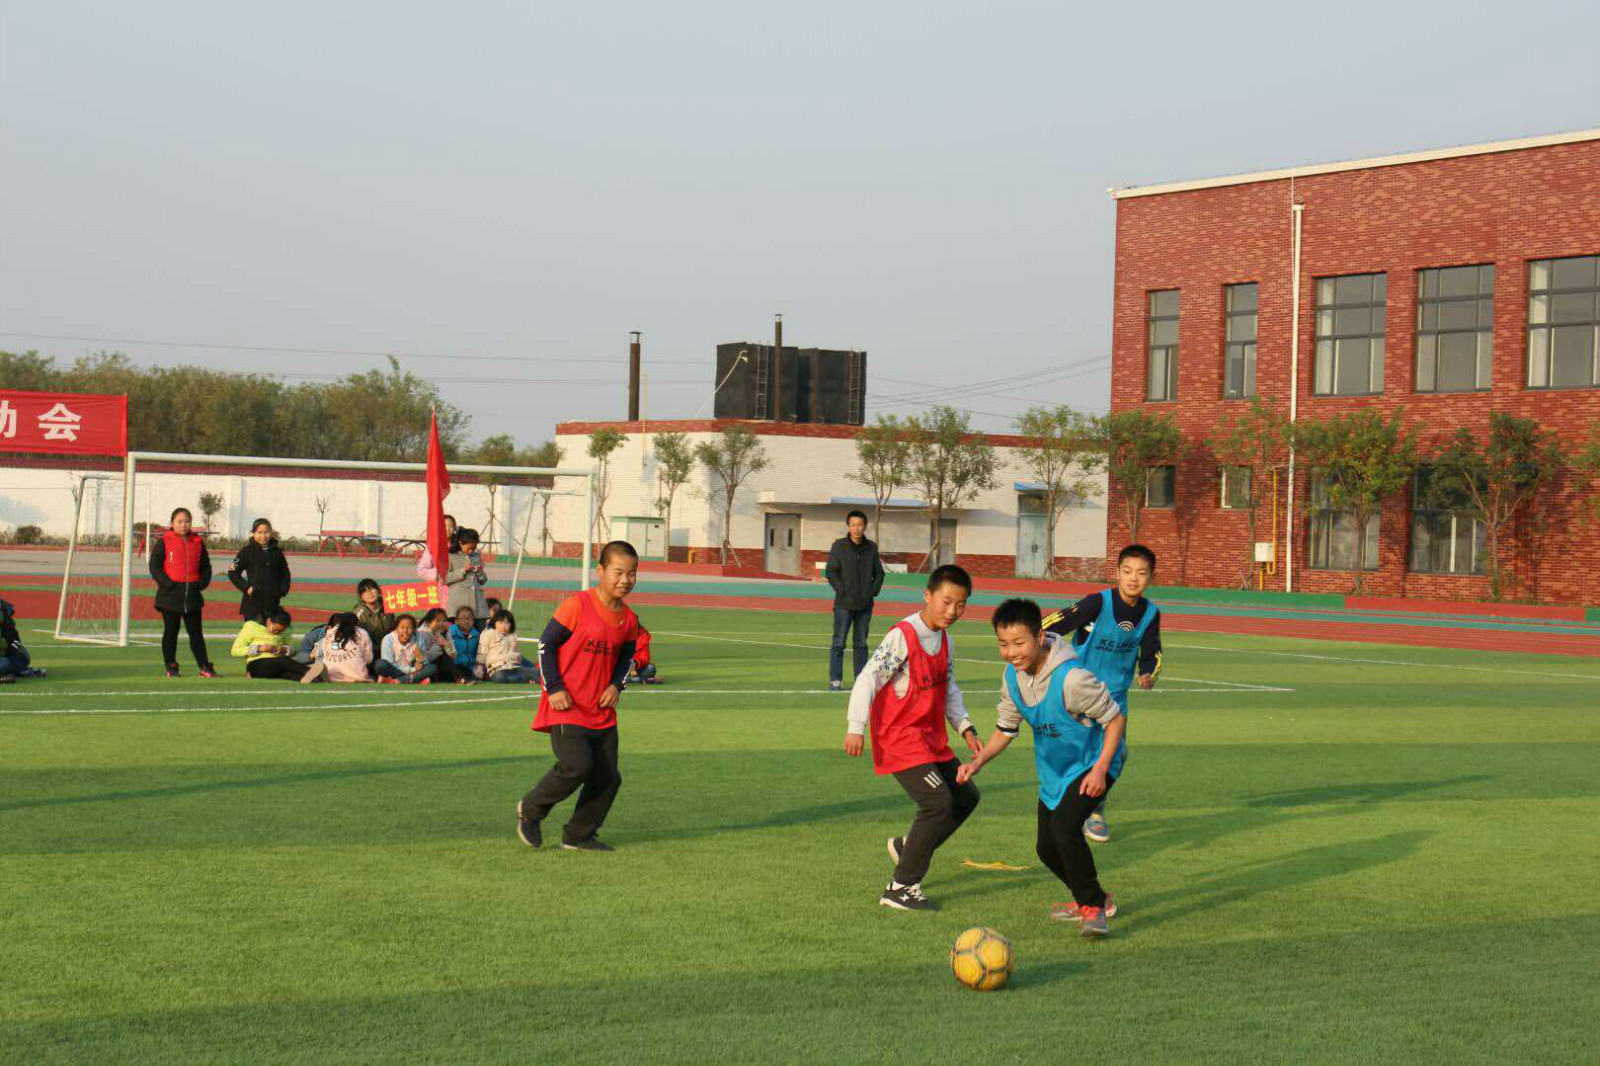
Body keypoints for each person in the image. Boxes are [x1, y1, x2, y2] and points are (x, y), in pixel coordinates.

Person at [958, 598, 1127, 937]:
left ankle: (1093, 909)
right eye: (1003, 644)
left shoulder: (1072, 678)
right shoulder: (1012, 676)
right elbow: (1006, 727)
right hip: (1055, 771)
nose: (1011, 652)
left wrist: (1100, 770)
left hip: (1095, 762)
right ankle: (1091, 898)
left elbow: (1115, 720)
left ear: (1039, 636)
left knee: (1065, 829)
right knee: (1046, 848)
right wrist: (978, 761)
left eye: (1019, 643)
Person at [843, 564, 984, 912]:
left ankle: (909, 849)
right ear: (927, 595)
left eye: (961, 604)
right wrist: (855, 725)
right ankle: (901, 886)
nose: (953, 611)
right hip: (900, 738)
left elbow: (948, 687)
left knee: (965, 796)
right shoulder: (903, 635)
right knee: (937, 803)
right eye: (946, 602)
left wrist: (965, 727)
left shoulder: (945, 639)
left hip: (930, 738)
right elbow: (868, 678)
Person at [517, 541, 641, 851]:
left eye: (632, 573)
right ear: (600, 571)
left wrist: (616, 686)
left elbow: (629, 658)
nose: (625, 580)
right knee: (577, 766)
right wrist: (554, 688)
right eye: (618, 572)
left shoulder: (629, 619)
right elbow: (546, 646)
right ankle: (530, 809)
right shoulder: (576, 605)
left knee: (608, 778)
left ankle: (578, 835)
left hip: (602, 713)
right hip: (567, 705)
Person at [1041, 544, 1162, 843]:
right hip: (1082, 691)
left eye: (1141, 573)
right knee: (1081, 753)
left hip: (1116, 696)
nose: (1133, 578)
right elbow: (1059, 622)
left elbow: (1152, 650)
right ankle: (1071, 808)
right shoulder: (1097, 603)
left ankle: (1095, 809)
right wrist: (1034, 639)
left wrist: (1148, 673)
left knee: (1116, 754)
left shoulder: (1150, 614)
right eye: (1127, 571)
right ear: (1118, 572)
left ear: (1150, 577)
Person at [147, 506, 218, 678]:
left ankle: (204, 666)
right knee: (171, 632)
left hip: (192, 595)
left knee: (196, 634)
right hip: (170, 595)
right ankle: (171, 665)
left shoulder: (198, 543)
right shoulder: (165, 542)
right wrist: (167, 583)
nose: (184, 525)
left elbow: (206, 566)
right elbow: (155, 566)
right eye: (180, 521)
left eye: (187, 521)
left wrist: (202, 583)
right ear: (172, 523)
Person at [825, 510, 886, 691]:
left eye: (859, 525)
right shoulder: (839, 546)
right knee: (839, 642)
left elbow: (879, 573)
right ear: (848, 526)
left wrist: (872, 591)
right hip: (843, 604)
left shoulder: (871, 547)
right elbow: (831, 571)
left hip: (865, 605)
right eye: (853, 525)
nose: (856, 528)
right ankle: (835, 679)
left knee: (861, 644)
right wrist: (841, 590)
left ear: (864, 526)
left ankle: (860, 681)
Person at [228, 518, 292, 623]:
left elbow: (285, 573)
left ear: (271, 532)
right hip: (252, 604)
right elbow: (232, 571)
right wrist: (246, 588)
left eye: (266, 532)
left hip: (272, 604)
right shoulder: (245, 551)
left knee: (270, 637)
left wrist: (282, 590)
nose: (263, 536)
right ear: (253, 533)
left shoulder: (277, 552)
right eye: (259, 532)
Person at [230, 608, 308, 680]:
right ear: (269, 621)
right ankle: (309, 671)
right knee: (283, 660)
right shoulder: (251, 627)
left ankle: (315, 679)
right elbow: (235, 650)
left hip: (276, 665)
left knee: (290, 675)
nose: (276, 633)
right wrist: (260, 648)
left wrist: (284, 650)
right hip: (257, 664)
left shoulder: (285, 631)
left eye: (280, 631)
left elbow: (294, 648)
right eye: (275, 630)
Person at [301, 613, 375, 684]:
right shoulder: (362, 633)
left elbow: (317, 656)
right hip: (357, 677)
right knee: (372, 675)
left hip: (329, 675)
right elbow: (368, 659)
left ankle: (310, 672)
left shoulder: (327, 634)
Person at [443, 527, 489, 627]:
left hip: (478, 608)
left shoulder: (476, 556)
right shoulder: (450, 556)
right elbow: (444, 578)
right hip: (458, 607)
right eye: (469, 548)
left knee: (478, 637)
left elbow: (483, 580)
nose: (471, 551)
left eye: (474, 547)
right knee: (458, 637)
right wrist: (463, 570)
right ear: (460, 543)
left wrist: (479, 572)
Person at [477, 610, 536, 683]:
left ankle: (526, 678)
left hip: (514, 667)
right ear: (494, 623)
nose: (503, 626)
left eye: (507, 623)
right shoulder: (489, 634)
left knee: (534, 672)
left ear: (511, 624)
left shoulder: (512, 636)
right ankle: (525, 679)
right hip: (498, 668)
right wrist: (480, 667)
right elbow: (482, 652)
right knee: (500, 677)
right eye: (500, 623)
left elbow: (517, 654)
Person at [377, 615, 436, 684]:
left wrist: (420, 658)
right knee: (380, 664)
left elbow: (425, 663)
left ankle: (397, 681)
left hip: (413, 670)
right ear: (396, 629)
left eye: (409, 628)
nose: (405, 631)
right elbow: (388, 662)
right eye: (402, 628)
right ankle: (415, 678)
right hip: (395, 670)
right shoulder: (388, 639)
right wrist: (412, 670)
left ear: (414, 629)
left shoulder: (418, 638)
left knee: (432, 667)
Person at [0, 597, 44, 683]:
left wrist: (7, 648)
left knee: (8, 662)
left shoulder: (5, 618)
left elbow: (13, 639)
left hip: (9, 656)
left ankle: (15, 670)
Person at [353, 579, 395, 669]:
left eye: (372, 589)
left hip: (390, 650)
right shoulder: (358, 614)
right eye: (364, 591)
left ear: (378, 590)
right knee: (380, 666)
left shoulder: (388, 607)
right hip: (371, 653)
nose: (369, 593)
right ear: (361, 597)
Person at [415, 513, 459, 600]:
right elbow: (421, 570)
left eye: (451, 526)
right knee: (438, 613)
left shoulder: (460, 545)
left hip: (456, 589)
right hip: (438, 590)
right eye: (444, 526)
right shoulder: (433, 546)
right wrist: (439, 574)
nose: (447, 529)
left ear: (455, 528)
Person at [420, 607, 470, 683]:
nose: (441, 624)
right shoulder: (422, 633)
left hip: (444, 668)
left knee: (466, 670)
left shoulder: (446, 631)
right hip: (427, 668)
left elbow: (454, 656)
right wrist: (438, 648)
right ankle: (460, 678)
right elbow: (423, 659)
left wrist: (446, 645)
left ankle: (460, 677)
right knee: (442, 654)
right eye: (437, 620)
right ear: (428, 622)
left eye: (444, 621)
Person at [447, 606, 482, 679]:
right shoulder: (450, 633)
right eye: (462, 618)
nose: (466, 621)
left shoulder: (476, 635)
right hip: (455, 666)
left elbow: (476, 653)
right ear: (456, 621)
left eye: (469, 618)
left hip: (471, 667)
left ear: (473, 621)